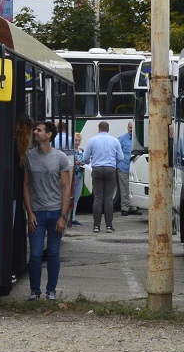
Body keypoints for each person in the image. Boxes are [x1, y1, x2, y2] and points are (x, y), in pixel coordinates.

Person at [24, 119, 74, 300]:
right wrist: (29, 213)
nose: (35, 132)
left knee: (53, 253)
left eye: (39, 130)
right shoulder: (29, 156)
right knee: (35, 254)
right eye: (35, 130)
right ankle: (34, 291)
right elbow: (26, 185)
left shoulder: (60, 157)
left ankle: (51, 291)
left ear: (49, 135)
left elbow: (66, 187)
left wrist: (63, 215)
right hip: (37, 212)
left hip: (55, 212)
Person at [83, 120, 122, 233]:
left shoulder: (92, 140)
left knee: (98, 198)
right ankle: (109, 226)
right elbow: (121, 157)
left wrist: (91, 160)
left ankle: (96, 226)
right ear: (108, 129)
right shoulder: (115, 140)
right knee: (108, 198)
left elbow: (85, 158)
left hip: (97, 169)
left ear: (98, 129)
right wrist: (113, 162)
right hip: (110, 169)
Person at [53, 124, 84, 226]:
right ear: (66, 129)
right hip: (69, 170)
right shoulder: (70, 140)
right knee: (70, 194)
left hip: (54, 170)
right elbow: (73, 157)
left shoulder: (53, 139)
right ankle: (70, 218)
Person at [117, 122, 134, 215]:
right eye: (130, 127)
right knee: (124, 189)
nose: (131, 129)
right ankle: (125, 208)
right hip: (124, 167)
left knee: (133, 188)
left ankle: (133, 207)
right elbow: (115, 151)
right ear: (127, 128)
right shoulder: (122, 139)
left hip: (135, 169)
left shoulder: (139, 139)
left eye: (133, 127)